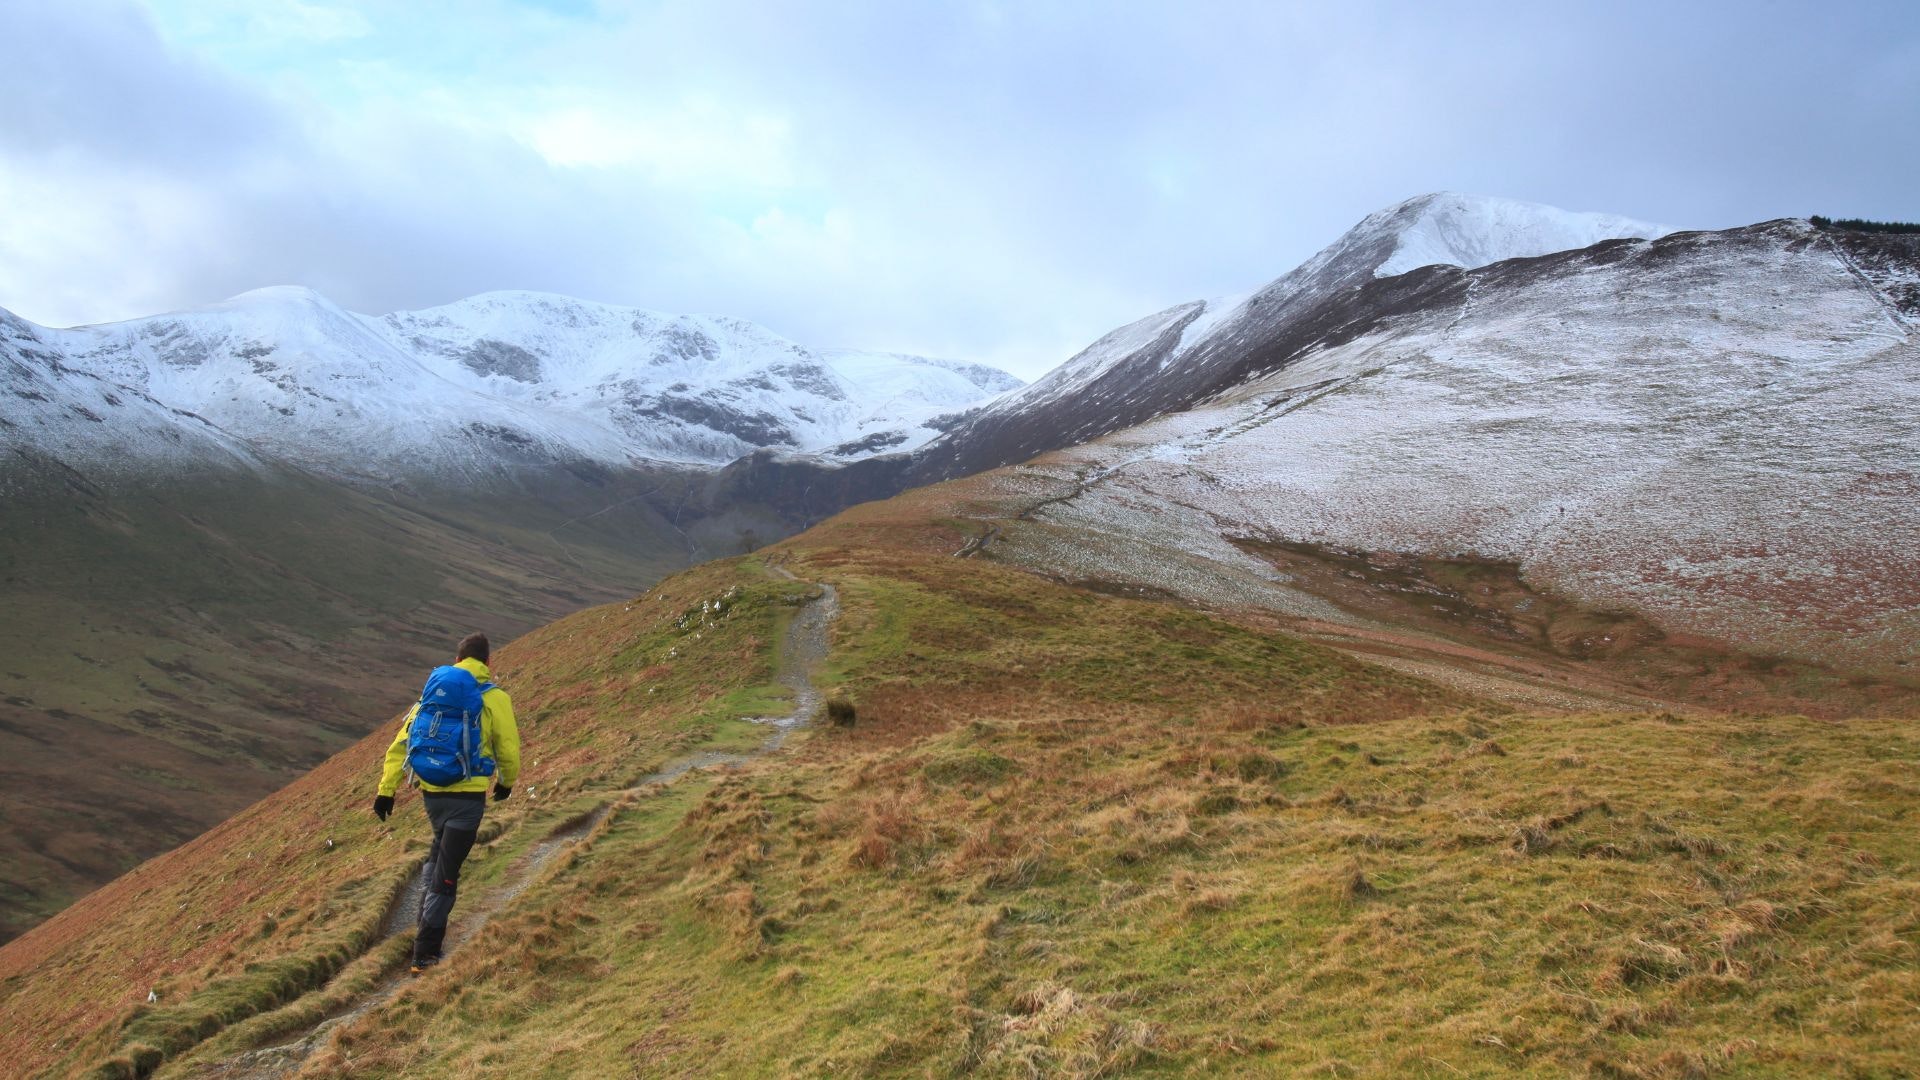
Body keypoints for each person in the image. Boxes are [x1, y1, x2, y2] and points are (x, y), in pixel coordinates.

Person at [372, 632, 520, 974]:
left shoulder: (434, 693)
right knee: (447, 875)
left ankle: (424, 930)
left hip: (432, 794)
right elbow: (508, 746)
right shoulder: (494, 697)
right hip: (468, 798)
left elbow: (401, 744)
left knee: (440, 856)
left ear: (458, 660)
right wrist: (506, 783)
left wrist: (386, 791)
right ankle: (425, 954)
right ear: (488, 662)